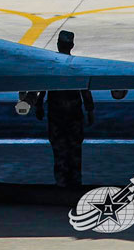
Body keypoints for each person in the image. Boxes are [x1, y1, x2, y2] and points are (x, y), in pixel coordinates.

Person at [35, 30, 94, 187]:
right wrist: (90, 110)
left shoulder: (52, 66)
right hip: (74, 116)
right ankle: (75, 183)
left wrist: (39, 105)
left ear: (58, 44)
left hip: (57, 116)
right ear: (72, 45)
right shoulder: (77, 66)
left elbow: (43, 87)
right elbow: (85, 90)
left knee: (59, 153)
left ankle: (62, 184)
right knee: (75, 153)